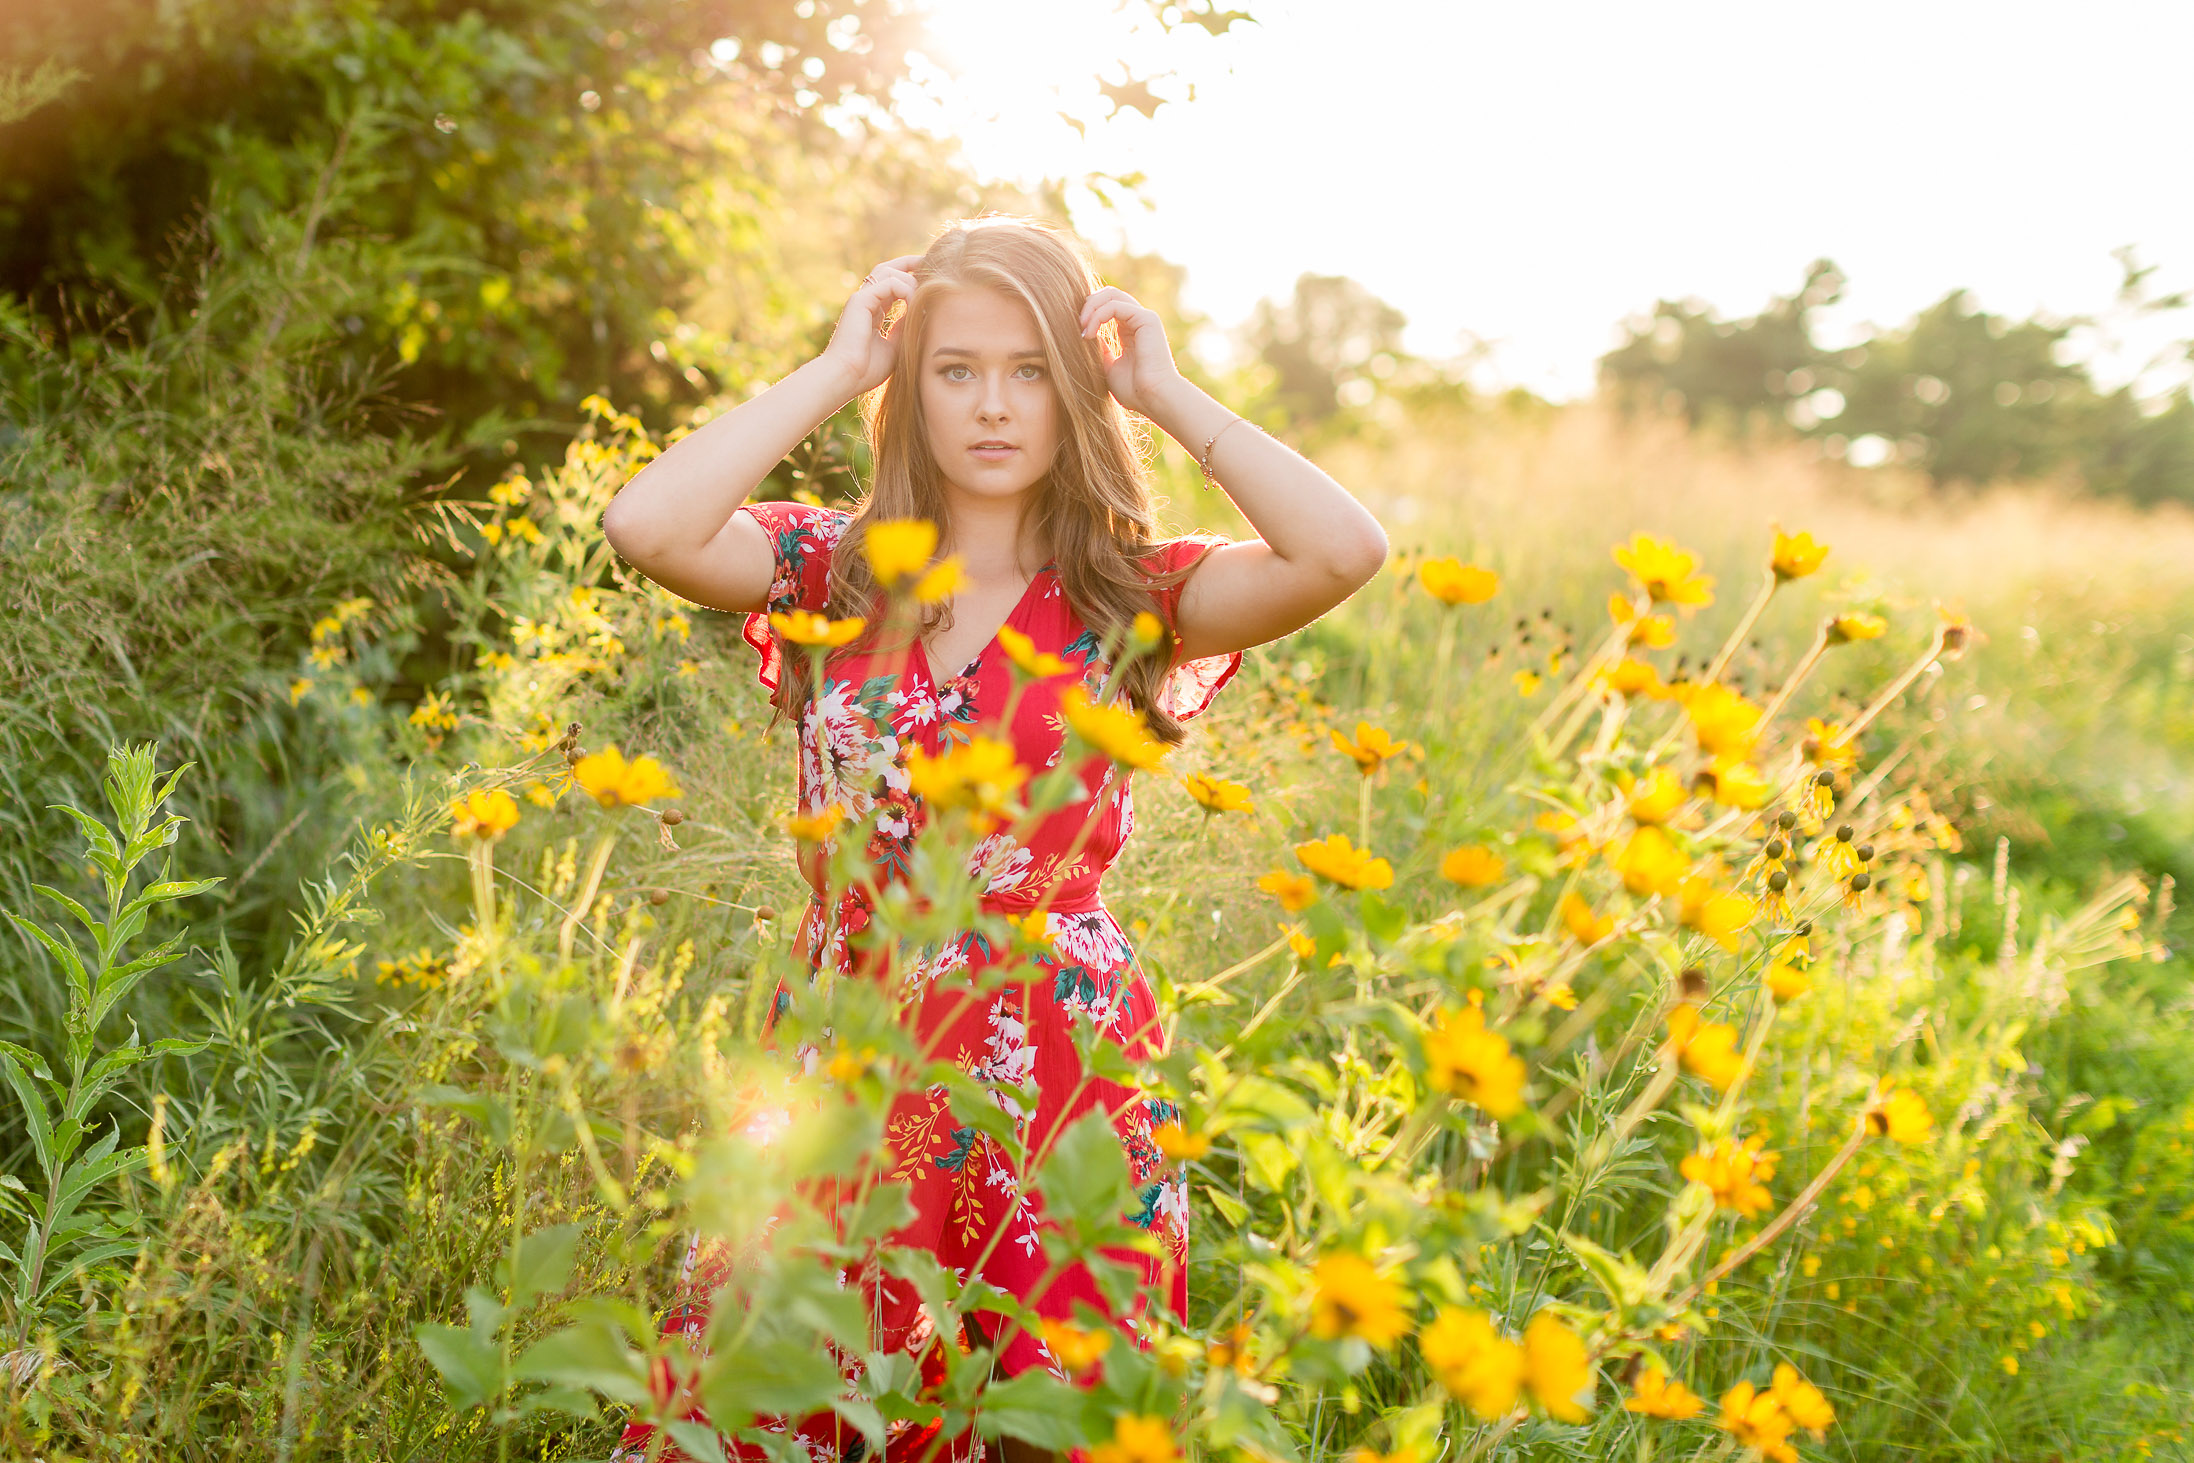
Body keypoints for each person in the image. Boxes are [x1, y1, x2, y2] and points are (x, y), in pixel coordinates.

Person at [599, 214, 1387, 1462]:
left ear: (1077, 390)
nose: (993, 405)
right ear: (912, 390)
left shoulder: (1134, 597)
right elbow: (647, 528)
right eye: (955, 369)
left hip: (1058, 1069)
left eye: (1030, 371)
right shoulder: (835, 575)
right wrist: (837, 367)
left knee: (1041, 1417)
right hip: (845, 1055)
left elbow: (1343, 548)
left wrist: (1167, 391)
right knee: (775, 1397)